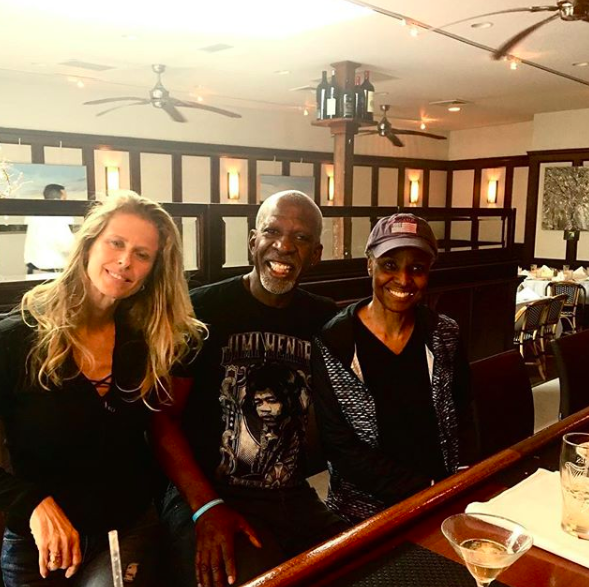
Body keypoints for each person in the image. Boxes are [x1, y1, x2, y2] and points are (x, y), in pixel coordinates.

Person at [0, 192, 206, 587]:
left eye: (142, 255)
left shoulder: (146, 340)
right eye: (116, 243)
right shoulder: (16, 338)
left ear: (152, 271)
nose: (125, 261)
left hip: (124, 530)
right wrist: (32, 504)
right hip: (40, 546)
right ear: (88, 244)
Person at [153, 190, 348, 587]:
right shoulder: (202, 310)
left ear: (315, 254)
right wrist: (206, 506)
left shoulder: (324, 318)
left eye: (301, 237)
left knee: (365, 564)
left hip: (290, 496)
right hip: (208, 494)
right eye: (272, 232)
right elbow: (162, 420)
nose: (284, 246)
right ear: (252, 242)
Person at [312, 213, 478, 525]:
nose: (403, 279)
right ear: (369, 265)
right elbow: (340, 447)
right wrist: (425, 488)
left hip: (443, 498)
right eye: (389, 265)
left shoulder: (444, 333)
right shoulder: (336, 341)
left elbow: (463, 410)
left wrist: (462, 476)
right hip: (363, 512)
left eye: (416, 268)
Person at [24, 183, 75, 274]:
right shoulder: (59, 215)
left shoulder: (34, 214)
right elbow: (67, 245)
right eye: (65, 197)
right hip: (52, 272)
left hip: (34, 270)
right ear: (60, 197)